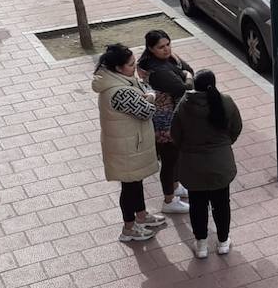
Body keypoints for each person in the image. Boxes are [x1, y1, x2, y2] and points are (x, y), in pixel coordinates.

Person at [92, 44, 166, 243]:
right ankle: (129, 227)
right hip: (127, 148)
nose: (135, 67)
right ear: (118, 67)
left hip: (130, 145)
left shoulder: (121, 80)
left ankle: (141, 216)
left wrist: (148, 95)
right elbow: (147, 111)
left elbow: (145, 88)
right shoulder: (120, 92)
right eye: (131, 64)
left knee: (136, 182)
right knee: (129, 187)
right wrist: (151, 97)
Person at [171, 69, 242, 258]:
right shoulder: (225, 101)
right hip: (220, 163)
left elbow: (175, 135)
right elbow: (236, 128)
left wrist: (187, 149)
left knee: (197, 205)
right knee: (221, 204)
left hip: (193, 166)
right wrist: (224, 145)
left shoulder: (184, 105)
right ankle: (223, 242)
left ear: (194, 85)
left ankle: (201, 245)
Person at [137, 30, 193, 216]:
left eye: (168, 44)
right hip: (164, 122)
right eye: (161, 47)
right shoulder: (158, 70)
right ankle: (169, 200)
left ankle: (175, 187)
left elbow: (188, 69)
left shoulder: (165, 61)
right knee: (169, 159)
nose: (166, 49)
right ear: (151, 48)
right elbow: (184, 88)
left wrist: (185, 71)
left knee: (174, 156)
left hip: (172, 117)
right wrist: (187, 76)